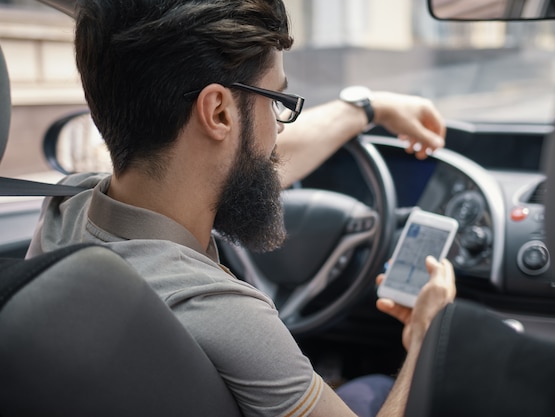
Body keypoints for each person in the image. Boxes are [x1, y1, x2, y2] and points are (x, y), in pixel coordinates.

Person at [26, 0, 456, 416]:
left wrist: (366, 109)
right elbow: (250, 156)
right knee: (381, 387)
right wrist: (425, 338)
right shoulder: (221, 310)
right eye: (276, 102)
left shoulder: (67, 205)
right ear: (218, 112)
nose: (275, 134)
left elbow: (239, 161)